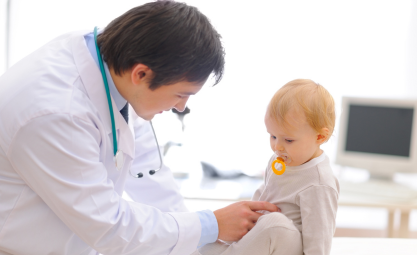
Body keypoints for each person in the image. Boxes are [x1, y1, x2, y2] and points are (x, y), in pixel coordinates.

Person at [0, 1, 279, 254]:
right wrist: (210, 225)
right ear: (141, 74)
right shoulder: (56, 112)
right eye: (181, 94)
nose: (181, 108)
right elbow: (109, 226)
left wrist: (197, 238)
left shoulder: (112, 64)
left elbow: (146, 170)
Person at [194, 79, 340, 255]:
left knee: (274, 224)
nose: (277, 146)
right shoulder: (280, 159)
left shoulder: (319, 183)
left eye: (288, 140)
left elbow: (320, 237)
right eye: (273, 136)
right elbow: (265, 195)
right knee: (204, 246)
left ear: (320, 137)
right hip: (265, 237)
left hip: (286, 243)